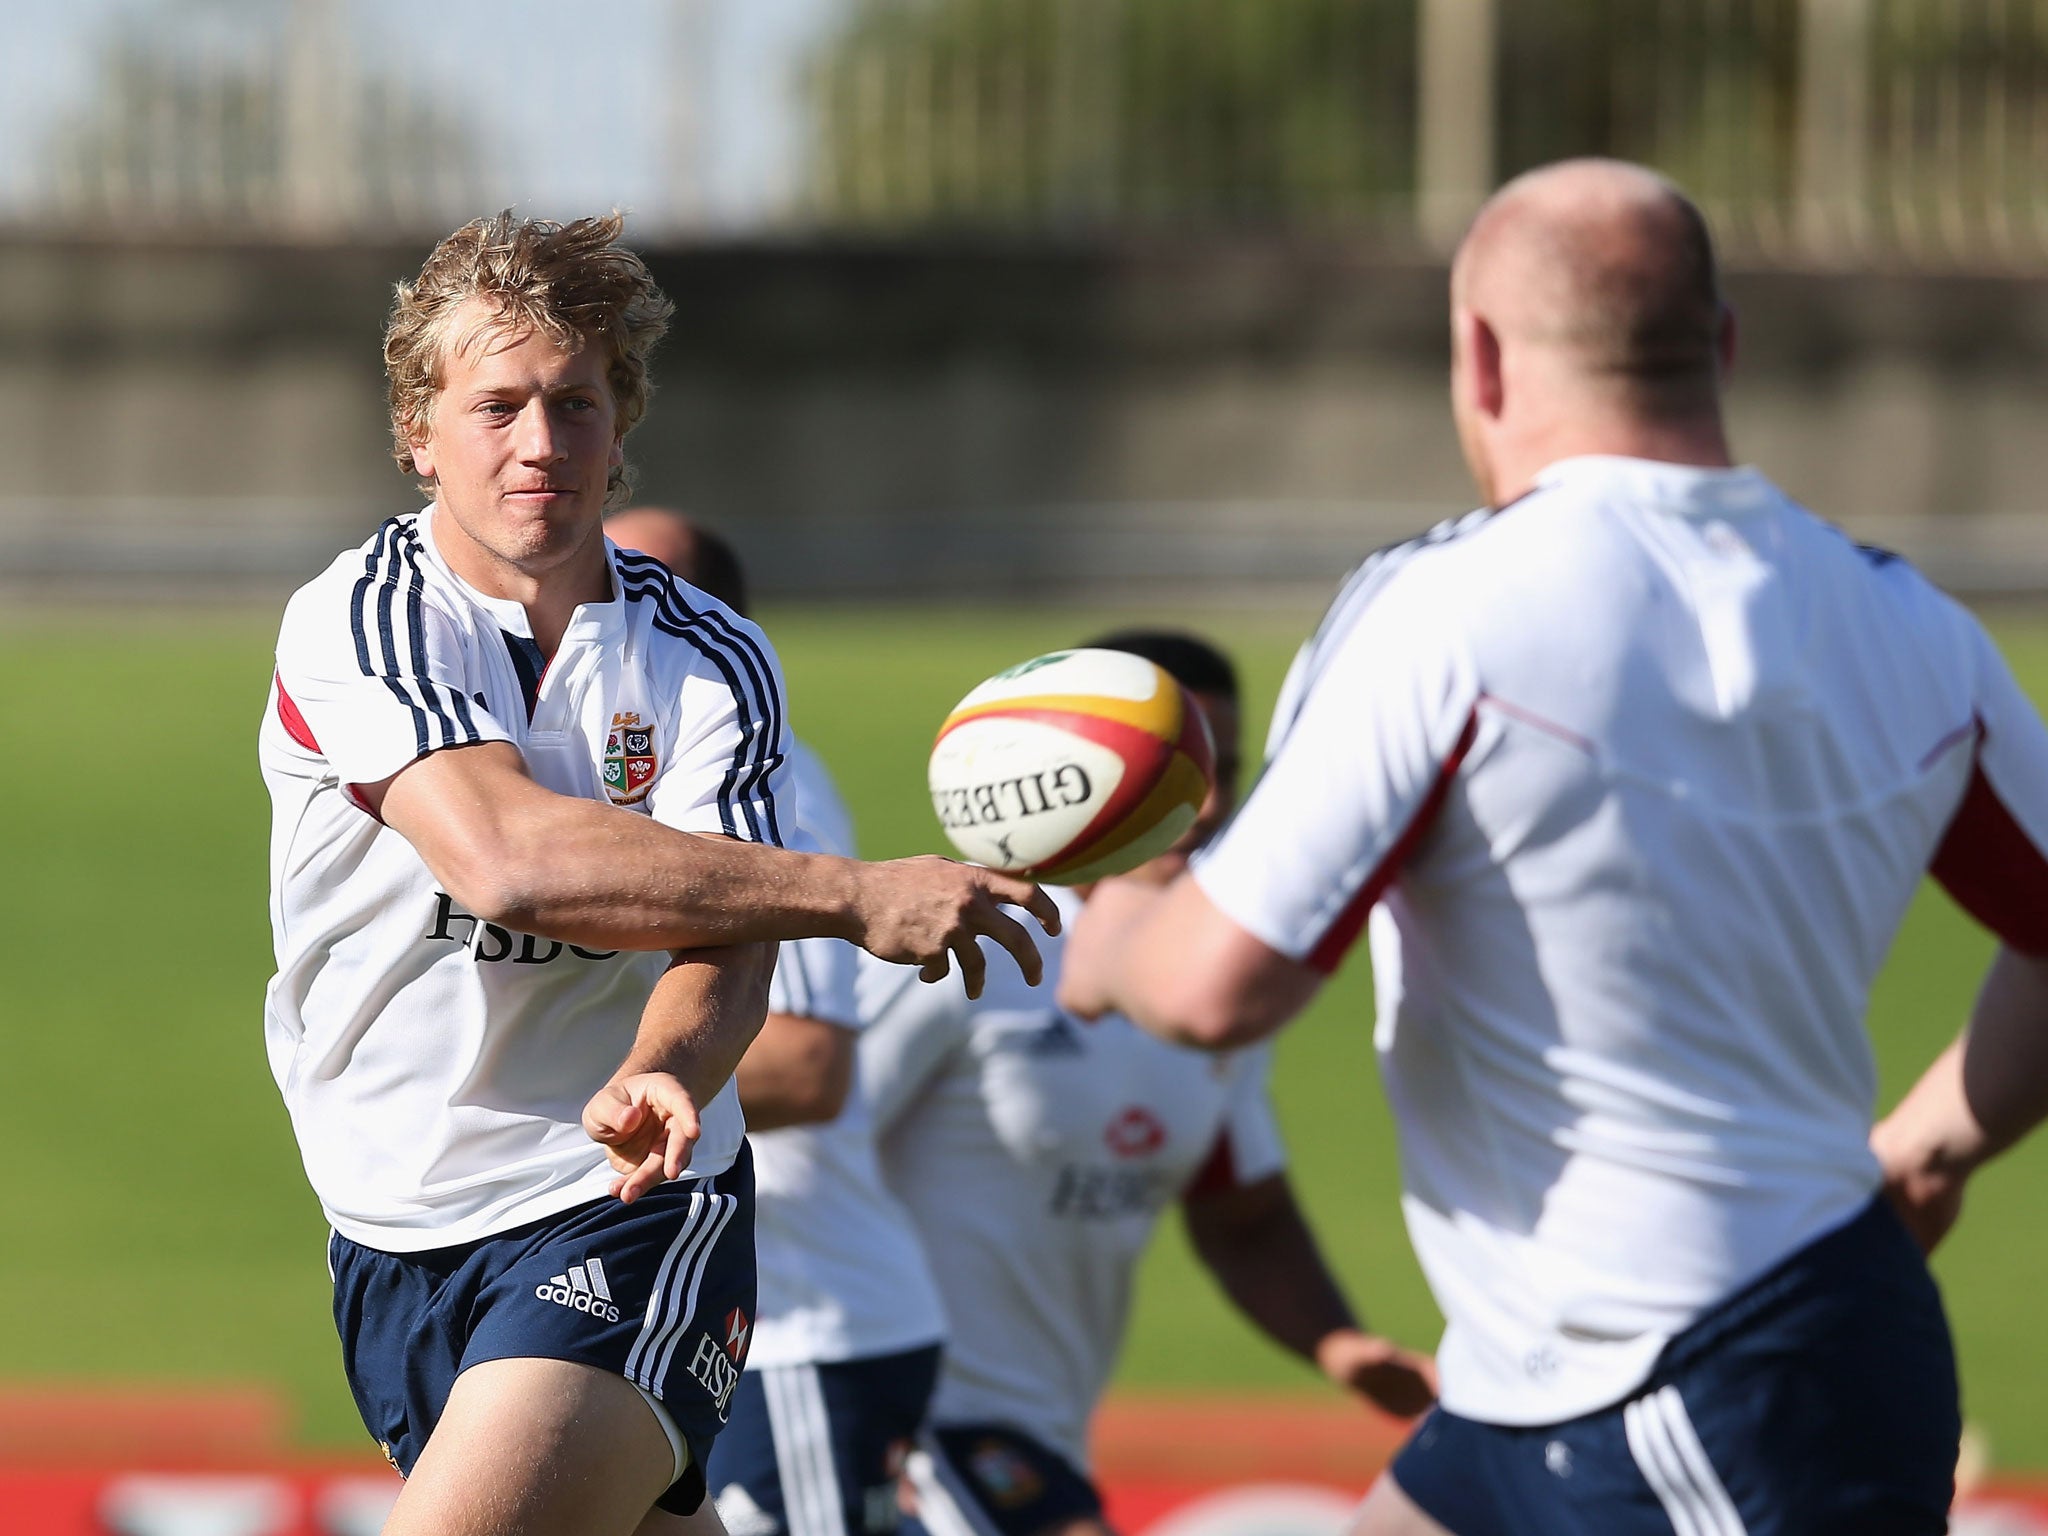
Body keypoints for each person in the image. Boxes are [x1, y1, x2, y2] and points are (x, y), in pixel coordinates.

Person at [1056, 159, 2048, 1535]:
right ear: (1727, 348)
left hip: (1698, 1382)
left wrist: (1112, 942)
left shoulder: (1446, 610)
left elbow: (1219, 983)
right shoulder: (1915, 624)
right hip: (1570, 1376)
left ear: (1479, 355)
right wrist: (1933, 1144)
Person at [259, 214, 1052, 1536]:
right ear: (418, 430)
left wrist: (672, 1071)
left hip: (620, 1210)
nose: (540, 444)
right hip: (389, 1220)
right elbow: (507, 859)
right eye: (498, 405)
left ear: (624, 427)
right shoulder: (365, 617)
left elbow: (726, 937)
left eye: (577, 403)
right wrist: (856, 894)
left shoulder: (709, 653)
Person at [858, 629, 1437, 1536]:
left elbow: (1242, 1215)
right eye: (1165, 765)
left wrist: (1337, 1341)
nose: (1204, 807)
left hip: (1044, 1436)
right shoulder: (955, 946)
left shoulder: (1204, 983)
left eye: (1223, 769)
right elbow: (791, 1152)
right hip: (908, 1433)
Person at [605, 507, 949, 1536]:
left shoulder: (765, 786)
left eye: (634, 583)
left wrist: (574, 1081)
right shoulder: (605, 766)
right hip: (669, 1308)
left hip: (792, 1330)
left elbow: (804, 1065)